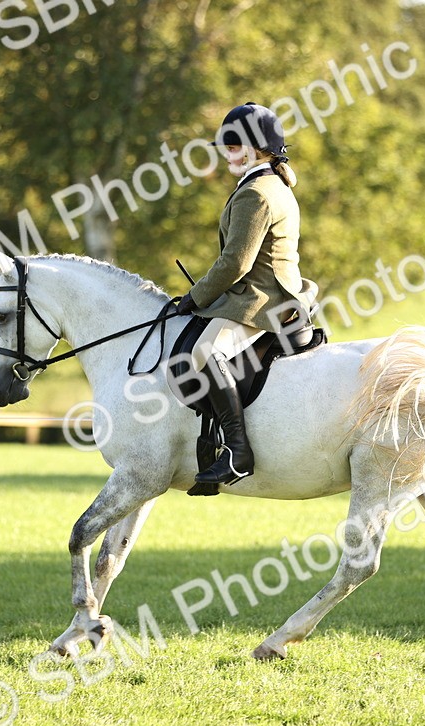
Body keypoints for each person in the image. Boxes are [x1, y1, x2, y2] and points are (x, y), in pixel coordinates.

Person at [176, 102, 318, 485]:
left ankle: (238, 453)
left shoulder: (256, 192)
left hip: (263, 298)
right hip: (264, 290)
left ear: (257, 149)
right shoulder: (270, 184)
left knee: (206, 352)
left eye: (234, 146)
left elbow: (235, 263)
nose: (227, 155)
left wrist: (197, 296)